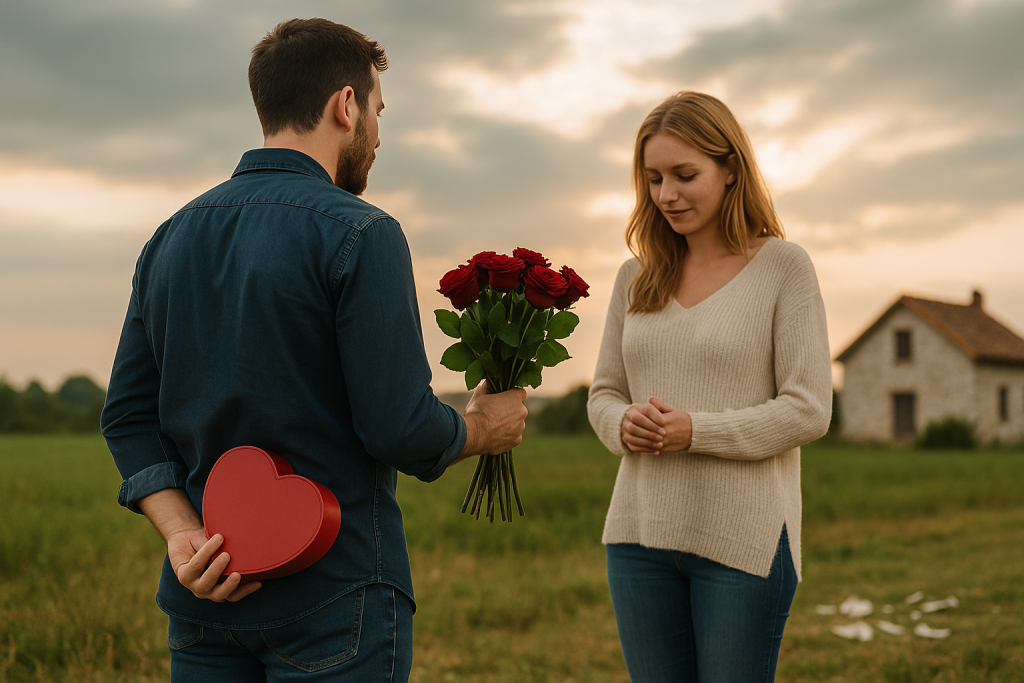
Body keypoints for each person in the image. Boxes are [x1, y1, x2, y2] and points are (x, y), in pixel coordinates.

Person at [101, 18, 527, 683]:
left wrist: (184, 533)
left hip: (204, 602)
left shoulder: (169, 237)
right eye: (379, 110)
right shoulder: (363, 233)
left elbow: (126, 416)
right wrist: (480, 427)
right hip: (338, 599)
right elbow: (399, 427)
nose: (379, 135)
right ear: (346, 105)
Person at [587, 91, 832, 682]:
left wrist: (694, 430)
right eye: (652, 178)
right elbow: (603, 393)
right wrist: (622, 423)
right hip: (637, 537)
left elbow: (808, 409)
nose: (666, 194)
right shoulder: (634, 276)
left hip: (742, 543)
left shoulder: (784, 267)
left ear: (730, 171)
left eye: (684, 175)